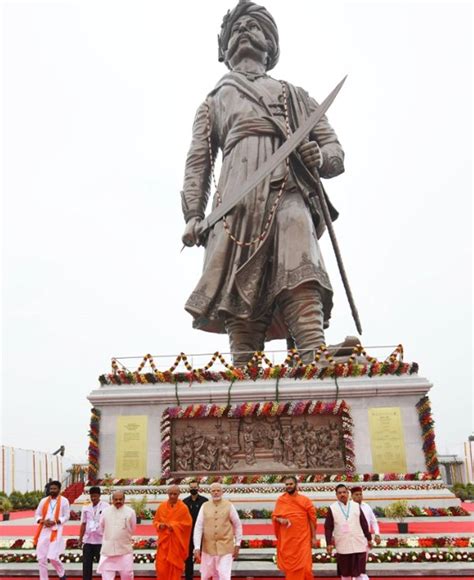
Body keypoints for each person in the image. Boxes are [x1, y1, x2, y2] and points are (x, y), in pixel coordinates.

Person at [181, 0, 345, 366]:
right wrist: (193, 213)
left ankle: (312, 355)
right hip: (234, 201)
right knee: (238, 286)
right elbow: (199, 161)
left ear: (270, 44)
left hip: (286, 189)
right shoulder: (214, 101)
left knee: (299, 266)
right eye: (236, 28)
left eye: (253, 26)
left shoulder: (296, 95)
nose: (244, 32)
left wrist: (322, 158)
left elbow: (334, 150)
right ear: (224, 49)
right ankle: (244, 370)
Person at [193, 482, 242, 580]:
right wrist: (197, 547)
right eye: (213, 491)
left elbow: (237, 524)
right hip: (208, 547)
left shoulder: (229, 505)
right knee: (206, 575)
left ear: (222, 492)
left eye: (218, 490)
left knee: (224, 575)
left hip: (226, 546)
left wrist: (237, 543)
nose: (216, 493)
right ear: (210, 493)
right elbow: (198, 527)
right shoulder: (204, 506)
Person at [272, 476, 317, 580]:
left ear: (296, 485)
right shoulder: (281, 500)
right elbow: (275, 516)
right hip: (288, 541)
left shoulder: (305, 500)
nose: (289, 486)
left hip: (303, 539)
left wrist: (313, 537)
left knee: (306, 568)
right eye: (287, 484)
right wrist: (280, 520)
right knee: (291, 569)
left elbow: (312, 519)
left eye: (291, 484)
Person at [324, 484, 372, 580]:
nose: (342, 494)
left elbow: (364, 523)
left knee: (359, 572)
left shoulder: (355, 505)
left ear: (348, 493)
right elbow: (328, 527)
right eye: (339, 493)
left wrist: (369, 538)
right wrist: (328, 543)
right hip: (343, 544)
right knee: (345, 574)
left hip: (358, 543)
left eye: (344, 492)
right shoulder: (332, 508)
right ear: (336, 495)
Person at [153, 485, 193, 580]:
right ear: (167, 494)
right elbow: (155, 521)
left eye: (175, 494)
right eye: (170, 494)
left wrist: (173, 526)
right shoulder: (162, 506)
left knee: (175, 568)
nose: (172, 496)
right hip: (164, 544)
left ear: (179, 494)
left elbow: (187, 524)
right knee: (161, 568)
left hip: (176, 543)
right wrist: (159, 525)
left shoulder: (183, 508)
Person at [34, 480, 70, 580]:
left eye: (55, 488)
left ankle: (62, 574)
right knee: (41, 558)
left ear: (59, 489)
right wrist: (42, 521)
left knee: (53, 557)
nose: (52, 490)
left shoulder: (64, 501)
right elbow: (37, 515)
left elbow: (67, 516)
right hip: (44, 530)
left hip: (56, 531)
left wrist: (57, 521)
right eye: (51, 489)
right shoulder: (43, 501)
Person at [97, 491, 136, 580]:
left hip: (124, 549)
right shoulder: (105, 511)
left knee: (127, 575)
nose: (118, 501)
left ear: (124, 499)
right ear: (112, 500)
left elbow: (133, 528)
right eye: (116, 499)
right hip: (108, 549)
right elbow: (101, 528)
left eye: (120, 499)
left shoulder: (130, 512)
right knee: (107, 576)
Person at [350, 487, 381, 580]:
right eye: (356, 495)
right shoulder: (348, 507)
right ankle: (357, 576)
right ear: (351, 496)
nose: (359, 496)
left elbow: (373, 521)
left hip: (365, 537)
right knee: (354, 559)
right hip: (353, 538)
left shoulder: (366, 506)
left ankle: (360, 575)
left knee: (363, 559)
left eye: (360, 494)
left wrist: (377, 534)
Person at [79, 486, 109, 580]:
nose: (93, 498)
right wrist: (80, 539)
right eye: (92, 496)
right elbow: (83, 524)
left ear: (99, 495)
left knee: (103, 565)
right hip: (88, 540)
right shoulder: (86, 506)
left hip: (101, 541)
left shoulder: (106, 506)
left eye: (95, 496)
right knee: (86, 566)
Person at [183, 480, 208, 580]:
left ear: (198, 488)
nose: (193, 489)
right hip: (188, 533)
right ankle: (189, 577)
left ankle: (205, 576)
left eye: (195, 487)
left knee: (204, 556)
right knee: (188, 557)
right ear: (189, 489)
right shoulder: (184, 502)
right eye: (191, 488)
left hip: (202, 533)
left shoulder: (204, 501)